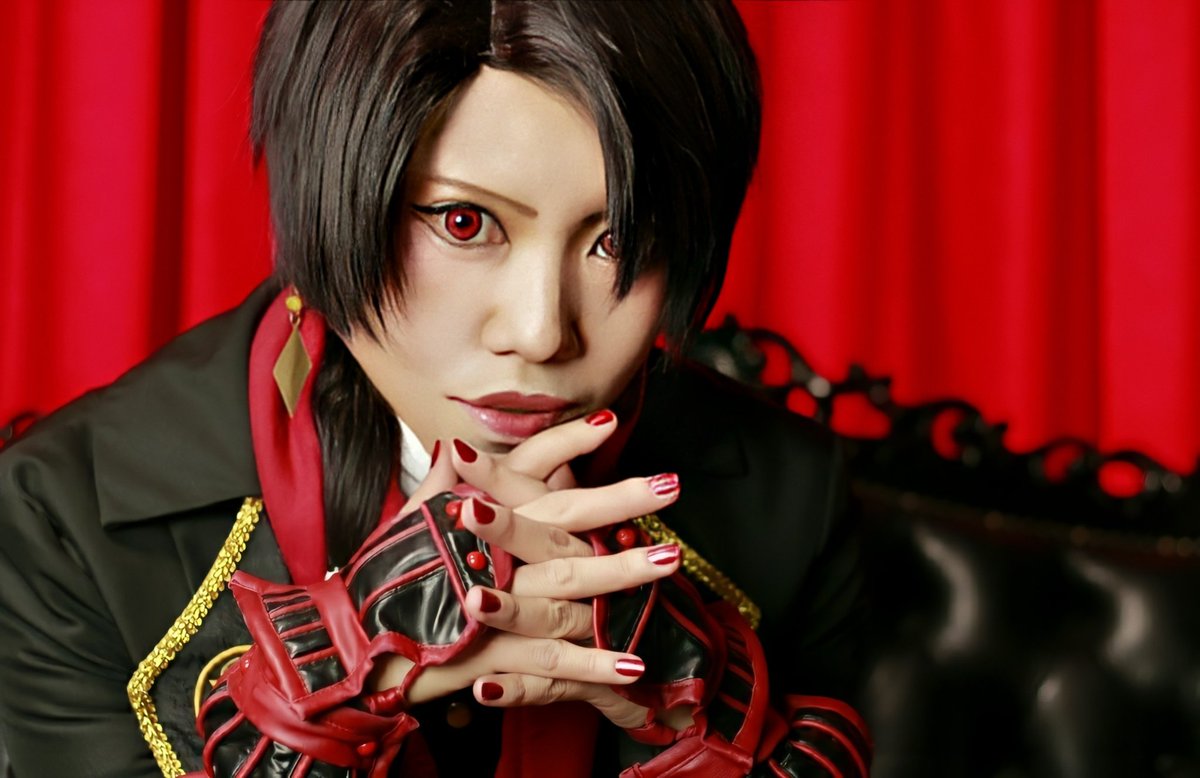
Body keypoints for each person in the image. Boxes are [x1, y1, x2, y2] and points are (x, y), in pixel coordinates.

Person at [0, 1, 870, 775]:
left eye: (623, 240)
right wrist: (329, 692)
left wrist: (691, 719)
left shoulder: (791, 500)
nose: (540, 331)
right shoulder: (66, 519)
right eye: (464, 222)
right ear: (331, 194)